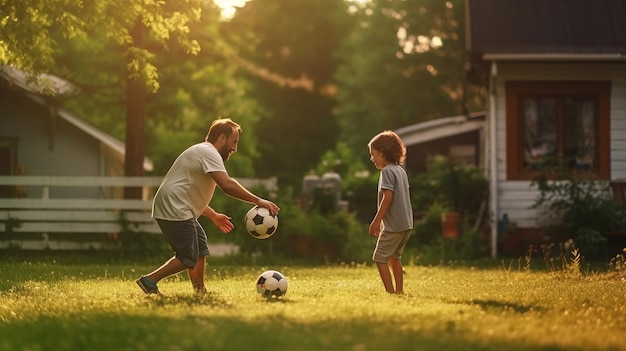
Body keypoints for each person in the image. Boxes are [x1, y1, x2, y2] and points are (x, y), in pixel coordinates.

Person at [136, 118, 280, 295]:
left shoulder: (204, 152)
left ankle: (200, 290)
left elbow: (191, 192)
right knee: (188, 256)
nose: (234, 148)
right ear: (221, 138)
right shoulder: (209, 152)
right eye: (234, 142)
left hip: (178, 204)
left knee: (200, 246)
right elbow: (227, 185)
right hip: (174, 205)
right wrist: (258, 201)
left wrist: (213, 215)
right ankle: (149, 281)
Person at [367, 130, 413, 294]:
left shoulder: (386, 171)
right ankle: (399, 292)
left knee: (380, 258)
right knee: (395, 258)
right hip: (405, 224)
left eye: (374, 154)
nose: (372, 159)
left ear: (383, 153)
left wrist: (377, 220)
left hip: (394, 226)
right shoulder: (400, 170)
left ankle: (391, 293)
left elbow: (388, 197)